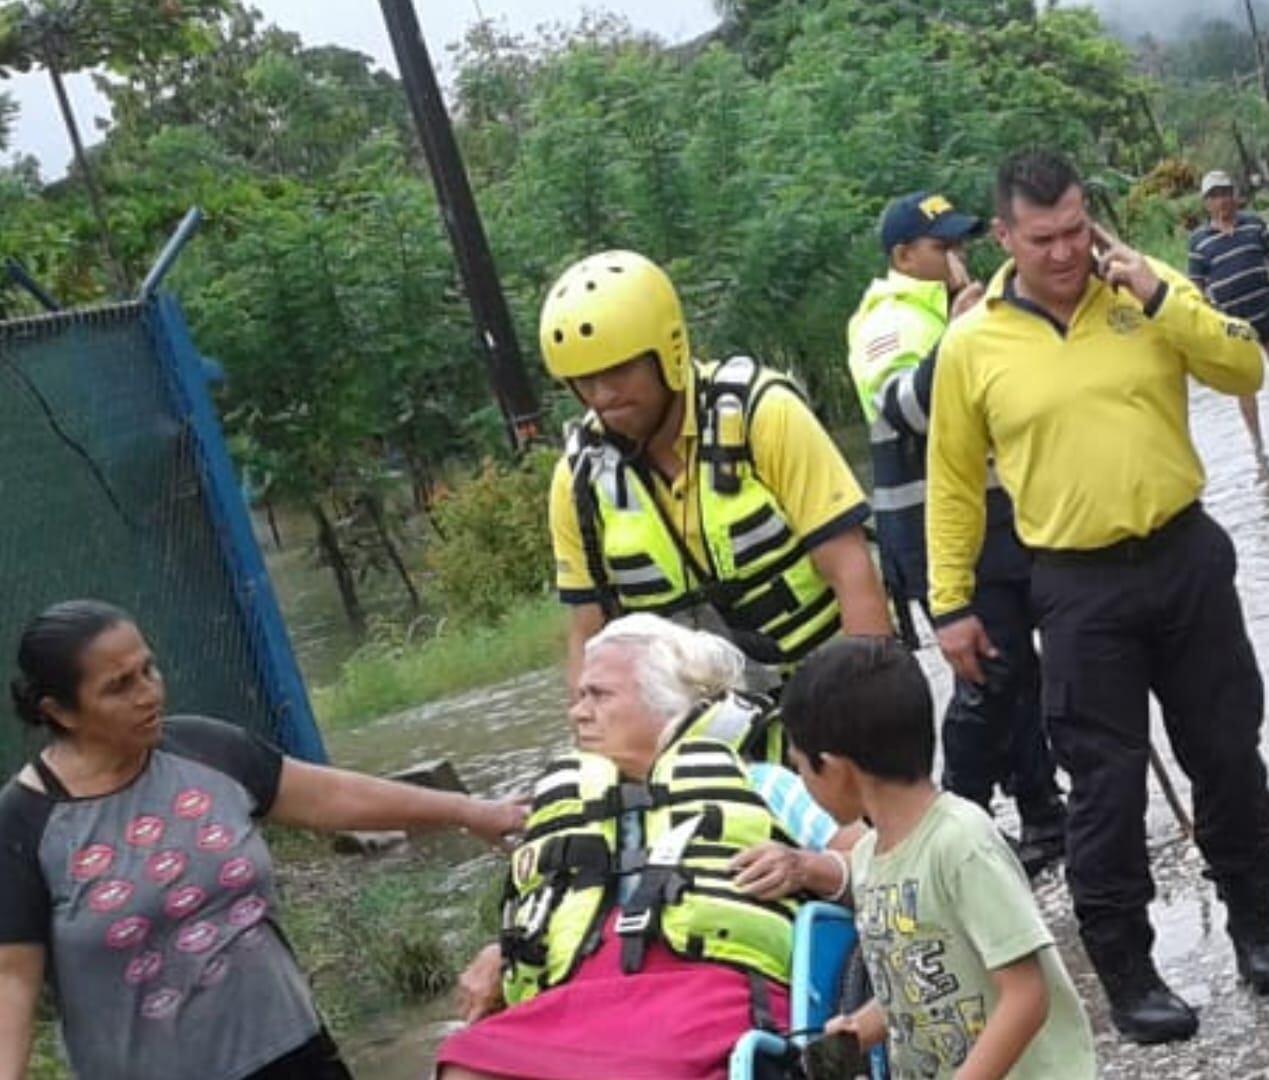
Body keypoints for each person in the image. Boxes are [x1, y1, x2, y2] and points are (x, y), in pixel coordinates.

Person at [926, 149, 1269, 1045]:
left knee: (1227, 751)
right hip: (1076, 582)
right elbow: (950, 482)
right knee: (1103, 784)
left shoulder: (1143, 288)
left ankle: (1257, 921)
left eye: (1074, 231)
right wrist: (950, 605)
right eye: (1042, 238)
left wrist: (1161, 296)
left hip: (1184, 554)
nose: (1063, 254)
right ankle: (1129, 970)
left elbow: (1246, 368)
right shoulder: (972, 343)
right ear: (1006, 237)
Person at [0, 600, 526, 1080]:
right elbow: (12, 985)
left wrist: (471, 812)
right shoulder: (26, 824)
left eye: (148, 669)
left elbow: (335, 798)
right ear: (59, 712)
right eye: (119, 686)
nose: (149, 694)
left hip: (293, 1052)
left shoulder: (207, 751)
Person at [440, 614, 861, 1080]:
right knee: (463, 1063)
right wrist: (503, 948)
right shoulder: (562, 810)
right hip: (576, 1008)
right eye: (579, 696)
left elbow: (882, 865)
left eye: (598, 694)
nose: (576, 712)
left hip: (711, 999)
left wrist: (807, 868)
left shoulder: (761, 783)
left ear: (666, 703)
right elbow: (551, 912)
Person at [541, 250, 890, 695]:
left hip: (823, 687)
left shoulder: (763, 414)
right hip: (696, 721)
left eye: (620, 370)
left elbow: (850, 567)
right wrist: (595, 749)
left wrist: (873, 704)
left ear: (667, 352)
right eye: (585, 381)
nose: (603, 394)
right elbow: (587, 634)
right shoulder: (579, 480)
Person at [844, 191, 1066, 876]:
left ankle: (1042, 814)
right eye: (942, 248)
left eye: (960, 246)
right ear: (903, 256)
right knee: (988, 678)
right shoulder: (888, 321)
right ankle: (946, 825)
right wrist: (957, 338)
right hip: (936, 535)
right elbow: (903, 406)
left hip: (1003, 521)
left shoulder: (950, 308)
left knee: (1027, 675)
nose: (957, 260)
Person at [783, 637, 1096, 1079]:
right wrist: (861, 1028)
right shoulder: (870, 857)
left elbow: (1026, 995)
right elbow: (918, 985)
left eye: (800, 769)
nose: (802, 783)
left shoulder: (960, 844)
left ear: (835, 768)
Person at [1187, 169, 1269, 451]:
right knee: (1244, 384)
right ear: (1206, 202)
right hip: (1232, 324)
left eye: (1225, 193)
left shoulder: (1255, 225)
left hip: (1267, 311)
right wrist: (1206, 324)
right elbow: (1195, 289)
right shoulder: (1199, 242)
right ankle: (1258, 447)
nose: (1222, 201)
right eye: (1214, 196)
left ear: (1235, 195)